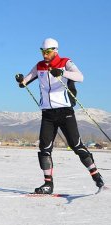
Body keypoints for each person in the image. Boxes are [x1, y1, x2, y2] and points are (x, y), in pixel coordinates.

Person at [15, 38, 104, 194]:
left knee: (77, 146)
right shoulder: (39, 66)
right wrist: (21, 80)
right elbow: (25, 81)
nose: (45, 54)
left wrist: (63, 72)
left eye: (47, 52)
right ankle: (48, 184)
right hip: (48, 114)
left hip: (65, 112)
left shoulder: (65, 62)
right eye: (42, 51)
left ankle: (97, 178)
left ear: (55, 50)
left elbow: (80, 77)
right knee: (44, 149)